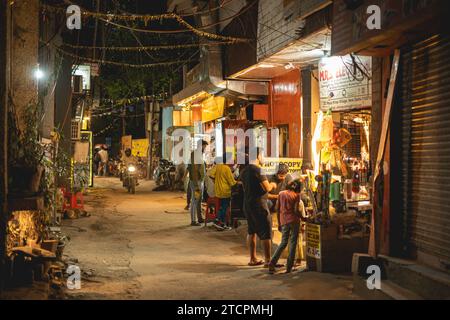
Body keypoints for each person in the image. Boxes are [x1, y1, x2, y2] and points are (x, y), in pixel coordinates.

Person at [240, 147, 277, 267]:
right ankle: (268, 260)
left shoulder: (244, 171)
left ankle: (253, 258)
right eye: (262, 155)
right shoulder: (258, 170)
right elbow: (267, 188)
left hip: (247, 203)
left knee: (251, 231)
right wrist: (273, 184)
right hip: (259, 205)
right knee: (266, 232)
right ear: (257, 156)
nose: (263, 158)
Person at [268, 179, 305, 274]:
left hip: (284, 221)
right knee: (293, 244)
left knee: (283, 243)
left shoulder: (281, 193)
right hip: (294, 221)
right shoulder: (297, 196)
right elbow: (296, 210)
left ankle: (272, 263)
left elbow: (278, 209)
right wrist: (303, 218)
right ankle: (289, 267)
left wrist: (279, 223)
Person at [208, 153, 237, 230]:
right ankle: (218, 221)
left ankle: (222, 224)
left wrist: (215, 180)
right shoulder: (227, 168)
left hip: (218, 191)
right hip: (225, 191)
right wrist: (238, 182)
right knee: (224, 208)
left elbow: (210, 174)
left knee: (222, 207)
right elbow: (232, 182)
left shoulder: (218, 166)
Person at [187, 140, 209, 226]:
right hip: (197, 182)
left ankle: (199, 218)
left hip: (199, 181)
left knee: (199, 200)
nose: (205, 148)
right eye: (205, 146)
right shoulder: (196, 154)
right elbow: (194, 170)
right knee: (195, 200)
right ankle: (193, 220)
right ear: (201, 146)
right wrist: (196, 184)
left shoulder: (197, 154)